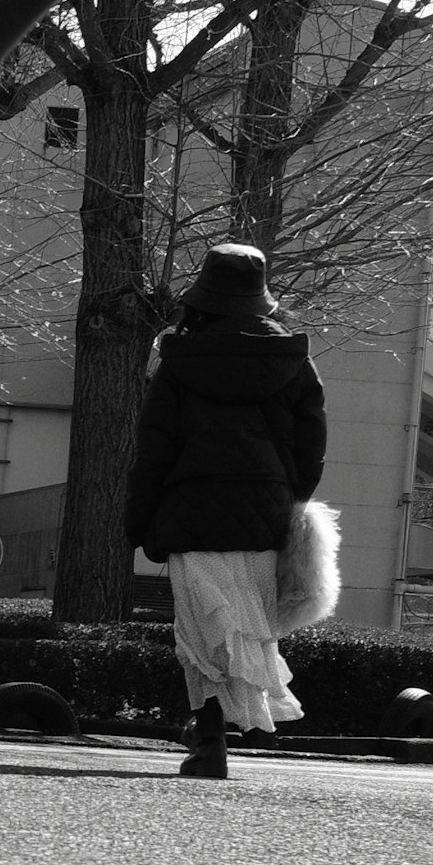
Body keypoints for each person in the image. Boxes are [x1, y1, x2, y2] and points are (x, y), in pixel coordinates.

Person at [125, 243, 326, 780]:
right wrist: (287, 500)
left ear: (203, 298)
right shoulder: (292, 360)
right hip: (263, 514)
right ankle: (238, 723)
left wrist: (139, 522)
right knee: (247, 625)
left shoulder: (178, 364)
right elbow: (312, 447)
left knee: (201, 631)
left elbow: (154, 451)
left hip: (191, 514)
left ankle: (209, 740)